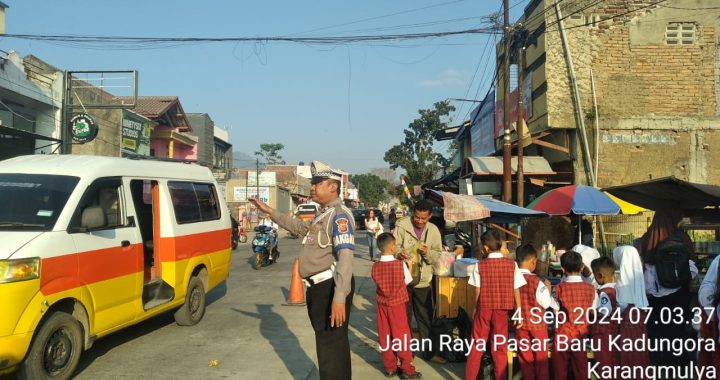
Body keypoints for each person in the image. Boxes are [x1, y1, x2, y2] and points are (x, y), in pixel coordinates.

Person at [249, 161, 355, 380]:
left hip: (330, 287)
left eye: (317, 183)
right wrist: (269, 211)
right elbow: (298, 227)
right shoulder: (323, 214)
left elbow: (345, 256)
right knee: (329, 347)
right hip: (319, 288)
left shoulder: (340, 215)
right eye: (313, 183)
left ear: (332, 187)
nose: (312, 188)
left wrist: (339, 297)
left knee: (331, 349)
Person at [465, 229, 525, 380]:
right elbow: (516, 289)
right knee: (500, 347)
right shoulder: (512, 265)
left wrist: (474, 310)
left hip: (484, 308)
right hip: (502, 310)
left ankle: (470, 377)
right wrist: (519, 311)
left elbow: (477, 292)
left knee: (477, 345)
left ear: (485, 248)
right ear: (501, 245)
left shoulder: (480, 265)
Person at [640, 209, 697, 366]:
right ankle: (678, 364)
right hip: (678, 295)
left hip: (653, 298)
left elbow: (642, 268)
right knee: (678, 332)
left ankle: (657, 364)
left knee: (655, 333)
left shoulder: (647, 239)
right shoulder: (682, 238)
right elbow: (692, 269)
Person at [393, 199, 444, 364]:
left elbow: (437, 255)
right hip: (403, 281)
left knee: (426, 319)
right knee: (403, 319)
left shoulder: (434, 230)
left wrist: (428, 253)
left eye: (424, 218)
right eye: (417, 217)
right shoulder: (402, 226)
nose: (420, 221)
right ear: (413, 214)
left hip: (423, 282)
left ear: (429, 216)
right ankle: (406, 355)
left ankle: (430, 353)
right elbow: (393, 248)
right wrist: (400, 253)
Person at [372, 233, 422, 379]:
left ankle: (390, 368)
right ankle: (407, 368)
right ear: (393, 248)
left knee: (385, 335)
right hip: (398, 304)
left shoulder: (375, 266)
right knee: (402, 336)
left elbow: (376, 281)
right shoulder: (400, 265)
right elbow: (407, 280)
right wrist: (409, 265)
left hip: (382, 305)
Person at [551, 250, 597, 380]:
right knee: (581, 371)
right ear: (582, 267)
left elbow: (555, 311)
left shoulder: (558, 288)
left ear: (562, 269)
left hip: (562, 335)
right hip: (580, 335)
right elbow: (592, 311)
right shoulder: (590, 289)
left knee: (560, 372)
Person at [515, 243, 554, 380]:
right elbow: (546, 303)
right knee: (541, 359)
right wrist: (548, 289)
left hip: (520, 325)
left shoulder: (512, 280)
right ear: (533, 261)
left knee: (525, 359)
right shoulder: (536, 281)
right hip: (537, 326)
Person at [612, 245, 651, 371]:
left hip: (626, 324)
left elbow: (621, 303)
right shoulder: (639, 277)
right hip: (639, 320)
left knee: (628, 355)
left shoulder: (623, 280)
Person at [590, 256, 619, 375]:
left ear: (600, 276)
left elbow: (605, 312)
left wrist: (591, 312)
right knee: (614, 363)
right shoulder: (617, 290)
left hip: (603, 334)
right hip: (614, 332)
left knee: (604, 364)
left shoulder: (603, 293)